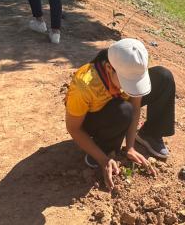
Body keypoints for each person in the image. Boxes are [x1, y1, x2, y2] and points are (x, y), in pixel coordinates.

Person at [65, 38, 176, 190]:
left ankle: (149, 134)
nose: (130, 86)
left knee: (164, 77)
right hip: (93, 117)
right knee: (123, 111)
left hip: (119, 104)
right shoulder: (84, 87)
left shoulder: (130, 67)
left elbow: (135, 106)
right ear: (109, 68)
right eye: (126, 81)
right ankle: (102, 148)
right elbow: (74, 128)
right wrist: (103, 160)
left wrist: (130, 147)